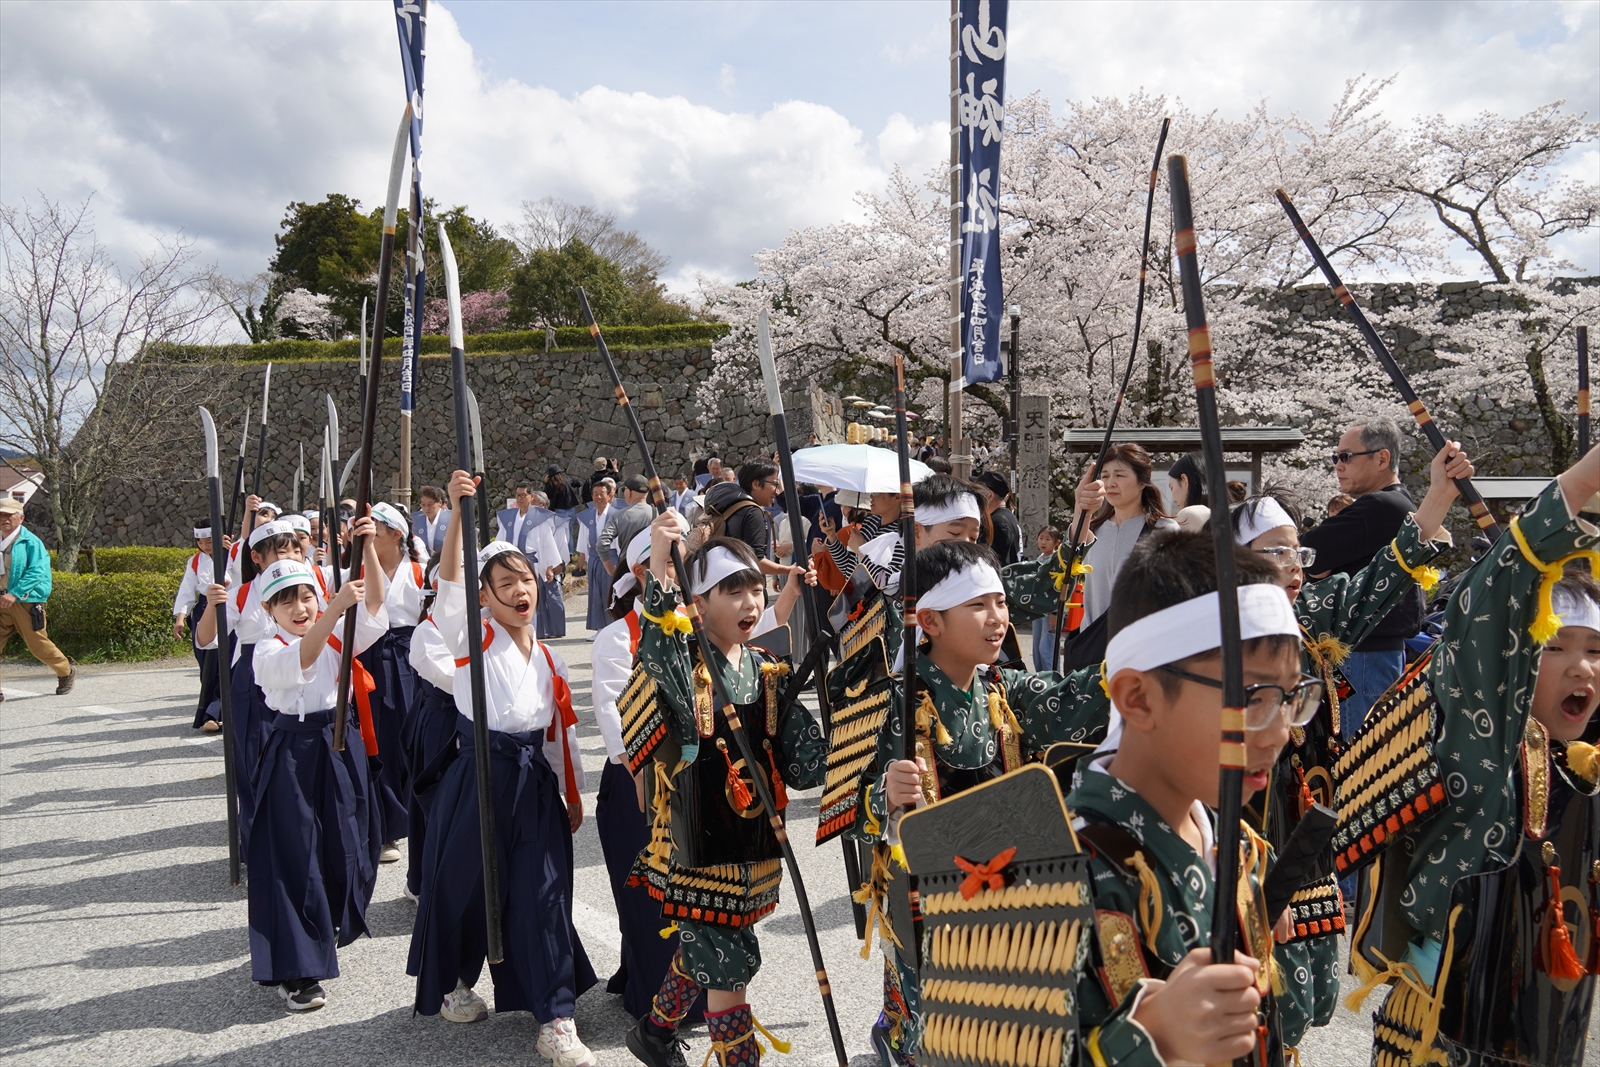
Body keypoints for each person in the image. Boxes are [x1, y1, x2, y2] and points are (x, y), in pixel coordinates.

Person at [1348, 445, 1600, 1065]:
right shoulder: (1481, 739)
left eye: (1596, 649)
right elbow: (1494, 595)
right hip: (1452, 1022)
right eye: (1556, 646)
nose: (1582, 667)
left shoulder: (1580, 763)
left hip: (1543, 1024)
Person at [1047, 532, 1319, 1063]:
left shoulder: (1238, 847)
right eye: (1253, 698)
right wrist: (1152, 1037)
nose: (1280, 733)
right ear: (1138, 698)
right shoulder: (1054, 874)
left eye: (1291, 698)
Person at [861, 541, 1133, 1060]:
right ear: (930, 621)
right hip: (928, 892)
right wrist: (884, 794)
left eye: (1001, 603)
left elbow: (1071, 697)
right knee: (943, 1030)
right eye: (978, 605)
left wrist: (1133, 663)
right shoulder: (893, 699)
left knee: (1004, 1022)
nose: (997, 618)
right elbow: (851, 802)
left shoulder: (1004, 689)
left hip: (1005, 880)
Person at [408, 471, 596, 1065]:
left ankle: (555, 1016)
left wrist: (571, 792)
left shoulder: (549, 658)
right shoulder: (473, 638)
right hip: (478, 778)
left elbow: (559, 734)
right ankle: (456, 982)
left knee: (543, 894)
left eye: (525, 579)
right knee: (463, 887)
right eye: (504, 583)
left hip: (532, 784)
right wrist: (456, 513)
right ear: (484, 597)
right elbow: (449, 587)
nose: (520, 591)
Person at [623, 521, 823, 1067]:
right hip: (698, 845)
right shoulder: (684, 665)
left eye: (756, 588)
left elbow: (803, 762)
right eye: (732, 591)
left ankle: (655, 1031)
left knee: (711, 947)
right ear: (699, 603)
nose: (750, 602)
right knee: (729, 964)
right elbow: (656, 649)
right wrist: (662, 559)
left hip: (753, 841)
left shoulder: (766, 668)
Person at [246, 549, 386, 1013]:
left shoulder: (336, 630)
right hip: (293, 750)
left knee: (355, 841)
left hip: (340, 742)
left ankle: (329, 924)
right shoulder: (268, 649)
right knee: (295, 856)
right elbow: (304, 656)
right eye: (286, 601)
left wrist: (367, 546)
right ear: (269, 609)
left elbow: (374, 607)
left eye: (307, 596)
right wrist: (334, 608)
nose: (300, 608)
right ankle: (298, 969)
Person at [588, 518, 705, 1025]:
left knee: (692, 892)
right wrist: (642, 771)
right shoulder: (618, 636)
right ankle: (658, 1003)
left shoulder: (695, 623)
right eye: (670, 565)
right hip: (640, 779)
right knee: (650, 896)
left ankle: (691, 991)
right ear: (641, 572)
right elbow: (612, 712)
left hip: (689, 777)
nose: (682, 575)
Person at [1299, 416, 1422, 736]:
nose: (1338, 465)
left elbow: (1307, 552)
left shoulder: (1381, 505)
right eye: (1335, 457)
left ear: (1381, 458)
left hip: (1364, 654)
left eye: (1346, 456)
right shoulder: (1396, 502)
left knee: (1354, 750)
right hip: (1374, 651)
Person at [358, 502, 427, 864]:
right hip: (369, 655)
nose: (370, 533)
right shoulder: (356, 568)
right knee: (378, 740)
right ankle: (386, 828)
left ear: (396, 534)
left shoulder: (418, 570)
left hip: (410, 655)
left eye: (377, 528)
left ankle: (418, 816)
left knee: (412, 738)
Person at [1073, 442, 1177, 633]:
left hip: (1142, 645)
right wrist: (1081, 510)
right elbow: (1067, 563)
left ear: (1142, 482)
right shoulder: (1092, 530)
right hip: (1093, 645)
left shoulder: (1165, 531)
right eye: (1105, 476)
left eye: (1119, 475)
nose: (1110, 483)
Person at [0, 497, 74, 700]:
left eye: (9, 515)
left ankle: (66, 671)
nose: (4, 519)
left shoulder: (31, 542)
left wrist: (14, 593)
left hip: (26, 602)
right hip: (1, 600)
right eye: (1, 515)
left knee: (37, 645)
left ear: (21, 518)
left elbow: (37, 571)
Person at [496, 483, 568, 641]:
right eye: (518, 495)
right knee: (512, 597)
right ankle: (515, 632)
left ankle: (531, 633)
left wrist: (549, 567)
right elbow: (500, 541)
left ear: (531, 496)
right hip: (511, 563)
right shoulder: (509, 518)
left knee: (528, 598)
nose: (520, 498)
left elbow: (547, 543)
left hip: (531, 563)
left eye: (523, 495)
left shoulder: (539, 518)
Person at [175, 520, 224, 730]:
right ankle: (211, 711)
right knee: (206, 664)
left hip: (228, 607)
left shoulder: (232, 555)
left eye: (209, 541)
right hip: (203, 611)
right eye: (200, 542)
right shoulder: (194, 561)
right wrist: (180, 617)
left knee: (224, 663)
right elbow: (186, 590)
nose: (205, 546)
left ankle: (215, 713)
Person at [575, 478, 617, 633]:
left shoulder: (616, 515)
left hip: (612, 557)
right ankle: (600, 628)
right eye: (595, 494)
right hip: (593, 558)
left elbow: (620, 541)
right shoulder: (588, 516)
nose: (598, 497)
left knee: (610, 592)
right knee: (595, 592)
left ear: (609, 495)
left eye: (602, 493)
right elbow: (583, 540)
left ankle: (613, 626)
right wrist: (581, 560)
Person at [600, 475, 655, 577]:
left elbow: (601, 544)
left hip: (627, 569)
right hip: (653, 569)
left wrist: (611, 570)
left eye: (624, 490)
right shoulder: (658, 514)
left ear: (629, 492)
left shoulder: (618, 516)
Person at [1029, 525, 1061, 671]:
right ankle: (1040, 677)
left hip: (1050, 608)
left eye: (1048, 539)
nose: (1043, 542)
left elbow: (1060, 588)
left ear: (1057, 543)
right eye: (1041, 538)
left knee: (1047, 648)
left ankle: (1052, 678)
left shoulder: (1058, 561)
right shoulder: (1040, 559)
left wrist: (1056, 612)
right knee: (1036, 647)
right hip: (1038, 608)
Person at [975, 471, 1022, 565]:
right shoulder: (1007, 516)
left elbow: (997, 562)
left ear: (990, 495)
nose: (976, 496)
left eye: (979, 491)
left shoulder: (998, 522)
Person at [412, 486, 449, 555]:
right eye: (423, 504)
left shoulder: (451, 518)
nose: (426, 508)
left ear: (440, 503)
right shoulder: (415, 520)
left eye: (430, 504)